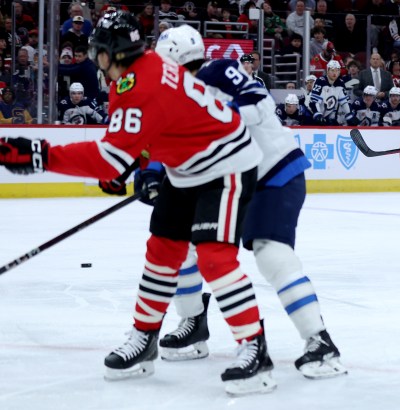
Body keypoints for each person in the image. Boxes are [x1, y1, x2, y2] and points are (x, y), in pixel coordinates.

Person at [0, 11, 274, 396]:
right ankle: (144, 339)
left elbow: (110, 156)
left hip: (226, 165)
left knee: (214, 257)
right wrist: (137, 164)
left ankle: (254, 348)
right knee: (161, 252)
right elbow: (152, 129)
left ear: (114, 52)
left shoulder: (139, 83)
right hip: (185, 167)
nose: (95, 57)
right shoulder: (140, 71)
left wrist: (41, 154)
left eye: (98, 50)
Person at [153, 24, 345, 378]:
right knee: (185, 244)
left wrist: (216, 123)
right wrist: (152, 171)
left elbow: (258, 103)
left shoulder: (218, 72)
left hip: (274, 174)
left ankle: (319, 341)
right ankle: (193, 322)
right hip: (229, 182)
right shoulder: (174, 99)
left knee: (270, 251)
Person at [309, 59, 354, 125]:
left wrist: (349, 115)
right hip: (313, 114)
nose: (334, 73)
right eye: (332, 70)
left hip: (327, 116)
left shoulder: (340, 83)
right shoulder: (320, 81)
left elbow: (345, 102)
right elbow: (314, 101)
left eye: (337, 70)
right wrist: (317, 114)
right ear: (327, 71)